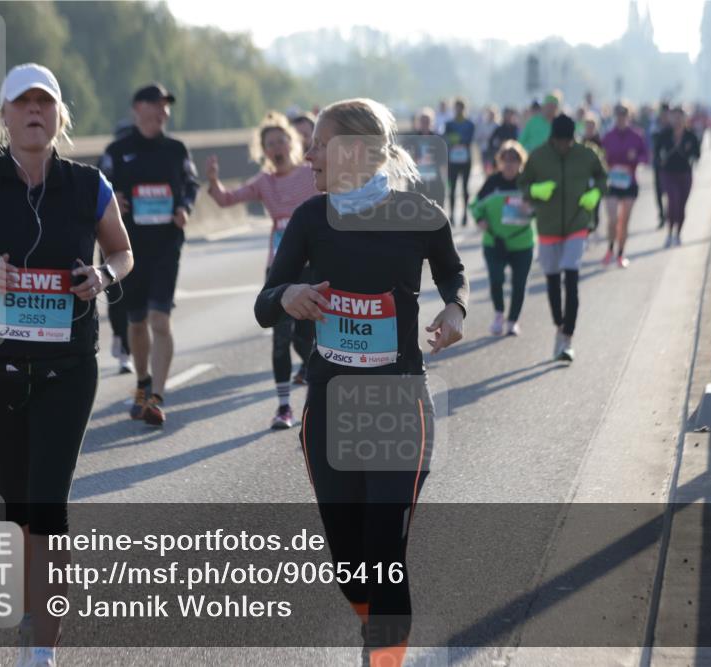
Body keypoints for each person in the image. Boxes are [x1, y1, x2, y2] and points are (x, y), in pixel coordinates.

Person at [0, 63, 133, 667]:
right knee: (13, 504)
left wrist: (103, 276)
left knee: (47, 502)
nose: (34, 111)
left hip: (68, 365)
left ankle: (43, 643)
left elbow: (121, 251)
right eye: (23, 103)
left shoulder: (89, 184)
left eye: (45, 103)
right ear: (5, 116)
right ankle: (30, 602)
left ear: (60, 116)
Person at [255, 97, 467, 667]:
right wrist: (288, 296)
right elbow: (264, 303)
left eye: (319, 144)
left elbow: (452, 270)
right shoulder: (309, 219)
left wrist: (455, 310)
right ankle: (375, 635)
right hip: (328, 407)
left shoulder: (419, 214)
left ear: (353, 150)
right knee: (351, 568)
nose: (308, 156)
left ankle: (382, 658)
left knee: (383, 554)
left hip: (399, 404)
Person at [206, 111, 319, 429]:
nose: (277, 146)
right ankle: (284, 407)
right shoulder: (264, 182)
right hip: (279, 267)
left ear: (292, 142)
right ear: (264, 150)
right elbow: (228, 199)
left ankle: (317, 394)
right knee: (280, 338)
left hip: (312, 268)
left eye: (281, 139)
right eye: (270, 143)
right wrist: (213, 181)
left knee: (304, 338)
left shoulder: (311, 173)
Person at [100, 82, 200, 426]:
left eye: (166, 106)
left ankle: (156, 396)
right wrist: (114, 200)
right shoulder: (117, 150)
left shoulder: (176, 149)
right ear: (138, 109)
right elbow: (99, 188)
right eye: (156, 105)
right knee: (136, 321)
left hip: (166, 246)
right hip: (128, 249)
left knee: (160, 318)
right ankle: (142, 382)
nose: (163, 111)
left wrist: (185, 207)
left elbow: (190, 184)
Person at [519, 114, 606, 363]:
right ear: (553, 138)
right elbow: (523, 183)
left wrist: (595, 193)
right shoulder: (538, 156)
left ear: (573, 138)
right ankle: (559, 325)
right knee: (553, 281)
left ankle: (568, 337)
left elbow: (602, 177)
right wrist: (534, 191)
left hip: (577, 223)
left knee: (571, 276)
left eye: (568, 141)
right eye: (560, 141)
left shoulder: (587, 154)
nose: (564, 146)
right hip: (547, 226)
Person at [470, 140, 535, 337]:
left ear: (520, 162)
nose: (509, 163)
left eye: (514, 159)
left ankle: (513, 320)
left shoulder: (527, 183)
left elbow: (541, 207)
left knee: (519, 283)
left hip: (521, 242)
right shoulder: (492, 182)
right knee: (496, 279)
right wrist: (480, 220)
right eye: (505, 159)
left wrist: (531, 208)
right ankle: (499, 314)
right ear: (499, 161)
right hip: (494, 241)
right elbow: (475, 206)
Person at [101, 120, 136, 375]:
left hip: (141, 238)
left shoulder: (151, 155)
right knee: (117, 295)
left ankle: (130, 344)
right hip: (111, 238)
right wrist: (115, 197)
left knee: (136, 298)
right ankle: (121, 342)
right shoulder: (110, 156)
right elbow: (100, 189)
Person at [600, 103, 649, 268]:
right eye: (618, 115)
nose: (621, 118)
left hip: (629, 182)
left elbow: (646, 157)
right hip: (612, 182)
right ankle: (609, 249)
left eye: (624, 115)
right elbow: (600, 157)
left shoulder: (637, 136)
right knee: (612, 219)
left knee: (624, 220)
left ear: (629, 116)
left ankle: (621, 254)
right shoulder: (608, 136)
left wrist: (636, 157)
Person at [655, 106, 701, 247]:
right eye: (674, 117)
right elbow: (656, 152)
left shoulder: (690, 135)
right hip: (668, 173)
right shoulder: (665, 134)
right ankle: (669, 233)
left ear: (684, 119)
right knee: (672, 201)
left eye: (680, 117)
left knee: (681, 206)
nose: (677, 120)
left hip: (685, 174)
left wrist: (691, 157)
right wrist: (660, 159)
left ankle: (678, 234)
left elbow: (697, 154)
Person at [442, 97, 476, 226]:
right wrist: (456, 140)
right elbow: (447, 139)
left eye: (461, 107)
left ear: (464, 108)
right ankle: (451, 215)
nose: (459, 110)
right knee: (452, 188)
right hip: (452, 160)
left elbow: (468, 139)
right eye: (456, 107)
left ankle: (465, 216)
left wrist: (457, 140)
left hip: (466, 159)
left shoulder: (470, 124)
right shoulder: (449, 124)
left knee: (465, 188)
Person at [650, 103, 670, 229]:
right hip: (658, 163)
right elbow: (651, 141)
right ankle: (661, 214)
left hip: (670, 164)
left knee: (669, 189)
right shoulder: (655, 125)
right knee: (658, 190)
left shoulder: (672, 126)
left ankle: (668, 212)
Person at [474, 106, 499, 175]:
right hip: (484, 148)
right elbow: (477, 137)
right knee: (485, 167)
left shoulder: (497, 126)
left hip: (494, 149)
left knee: (494, 167)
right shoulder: (482, 125)